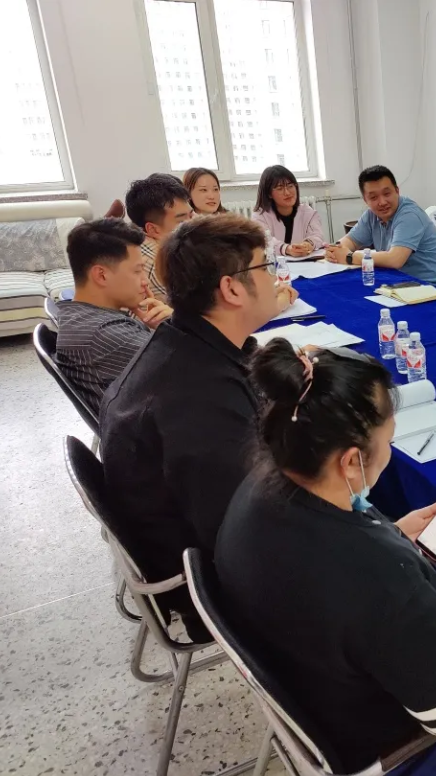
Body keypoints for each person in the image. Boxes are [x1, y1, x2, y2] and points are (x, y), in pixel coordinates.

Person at [215, 340, 436, 776]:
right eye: (388, 441)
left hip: (317, 686)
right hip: (391, 747)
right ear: (351, 461)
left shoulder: (257, 488)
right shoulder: (375, 575)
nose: (389, 452)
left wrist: (392, 532)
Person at [99, 214, 295, 639]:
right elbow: (250, 530)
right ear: (231, 289)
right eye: (267, 267)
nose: (276, 279)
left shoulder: (184, 341)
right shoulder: (199, 401)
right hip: (214, 584)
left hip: (203, 538)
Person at [55, 218, 173, 414]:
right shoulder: (106, 334)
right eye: (138, 271)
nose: (145, 282)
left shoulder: (79, 316)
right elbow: (200, 369)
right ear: (101, 275)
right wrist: (174, 325)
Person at [325, 165, 436, 284]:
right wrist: (334, 251)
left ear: (397, 191)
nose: (382, 202)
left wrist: (350, 257)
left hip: (431, 287)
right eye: (373, 197)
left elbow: (395, 259)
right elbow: (351, 241)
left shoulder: (409, 215)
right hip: (398, 283)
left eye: (386, 194)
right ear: (365, 200)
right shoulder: (371, 215)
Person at [125, 173, 194, 302]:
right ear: (153, 229)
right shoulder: (158, 264)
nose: (193, 224)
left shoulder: (144, 241)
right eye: (182, 222)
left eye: (191, 215)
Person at [252, 165, 325, 257]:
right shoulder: (260, 215)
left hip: (304, 261)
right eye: (280, 188)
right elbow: (265, 241)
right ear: (269, 194)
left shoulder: (308, 212)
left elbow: (317, 235)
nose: (287, 193)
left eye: (290, 186)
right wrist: (287, 249)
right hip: (274, 263)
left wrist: (308, 244)